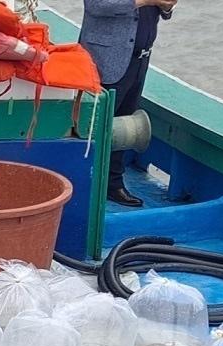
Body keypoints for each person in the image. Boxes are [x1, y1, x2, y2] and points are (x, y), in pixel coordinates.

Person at [79, 0, 175, 207]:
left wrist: (166, 6)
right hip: (105, 59)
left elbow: (162, 11)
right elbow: (97, 6)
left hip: (140, 59)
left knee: (123, 124)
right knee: (97, 125)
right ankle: (82, 181)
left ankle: (112, 184)